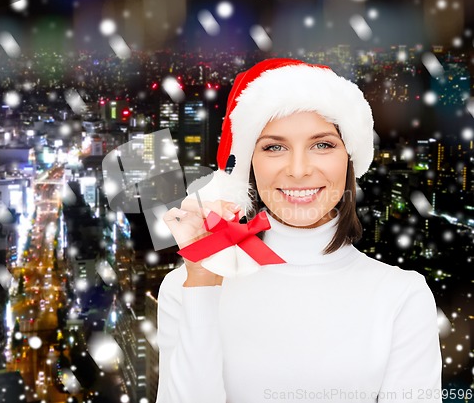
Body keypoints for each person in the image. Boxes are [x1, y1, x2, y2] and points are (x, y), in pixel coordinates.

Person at [156, 59, 443, 403]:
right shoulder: (185, 287)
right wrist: (202, 285)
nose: (298, 170)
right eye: (274, 147)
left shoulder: (402, 297)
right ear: (249, 163)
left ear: (349, 158)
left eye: (322, 144)